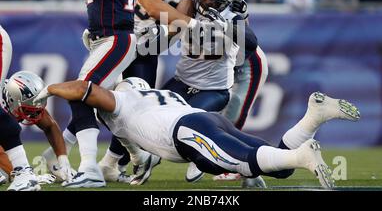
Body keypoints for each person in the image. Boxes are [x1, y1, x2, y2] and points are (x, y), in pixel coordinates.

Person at [33, 76, 361, 189]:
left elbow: (82, 88)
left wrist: (48, 90)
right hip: (203, 120)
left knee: (248, 162)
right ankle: (313, 117)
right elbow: (137, 151)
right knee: (282, 166)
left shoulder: (122, 99)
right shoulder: (155, 98)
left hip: (187, 132)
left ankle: (305, 155)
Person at [45, 0, 152, 188]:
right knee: (105, 106)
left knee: (80, 92)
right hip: (120, 36)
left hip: (113, 36)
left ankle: (90, 169)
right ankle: (138, 154)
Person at [99, 0, 203, 182]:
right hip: (124, 33)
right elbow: (153, 5)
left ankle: (111, 162)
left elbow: (180, 20)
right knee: (98, 96)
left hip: (149, 45)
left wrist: (166, 37)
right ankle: (112, 160)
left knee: (134, 104)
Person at [0, 71, 72, 191]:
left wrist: (62, 159)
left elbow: (50, 126)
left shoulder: (16, 99)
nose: (32, 114)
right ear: (11, 100)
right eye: (27, 109)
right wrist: (23, 173)